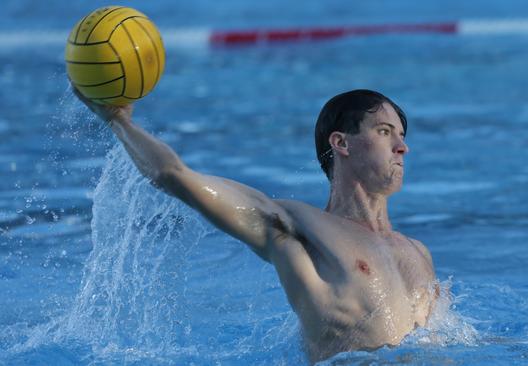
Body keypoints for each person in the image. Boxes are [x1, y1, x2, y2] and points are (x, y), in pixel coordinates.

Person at [73, 88, 438, 362]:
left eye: (402, 136)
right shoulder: (297, 228)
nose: (402, 147)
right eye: (385, 132)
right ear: (341, 143)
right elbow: (174, 176)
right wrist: (118, 120)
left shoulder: (417, 253)